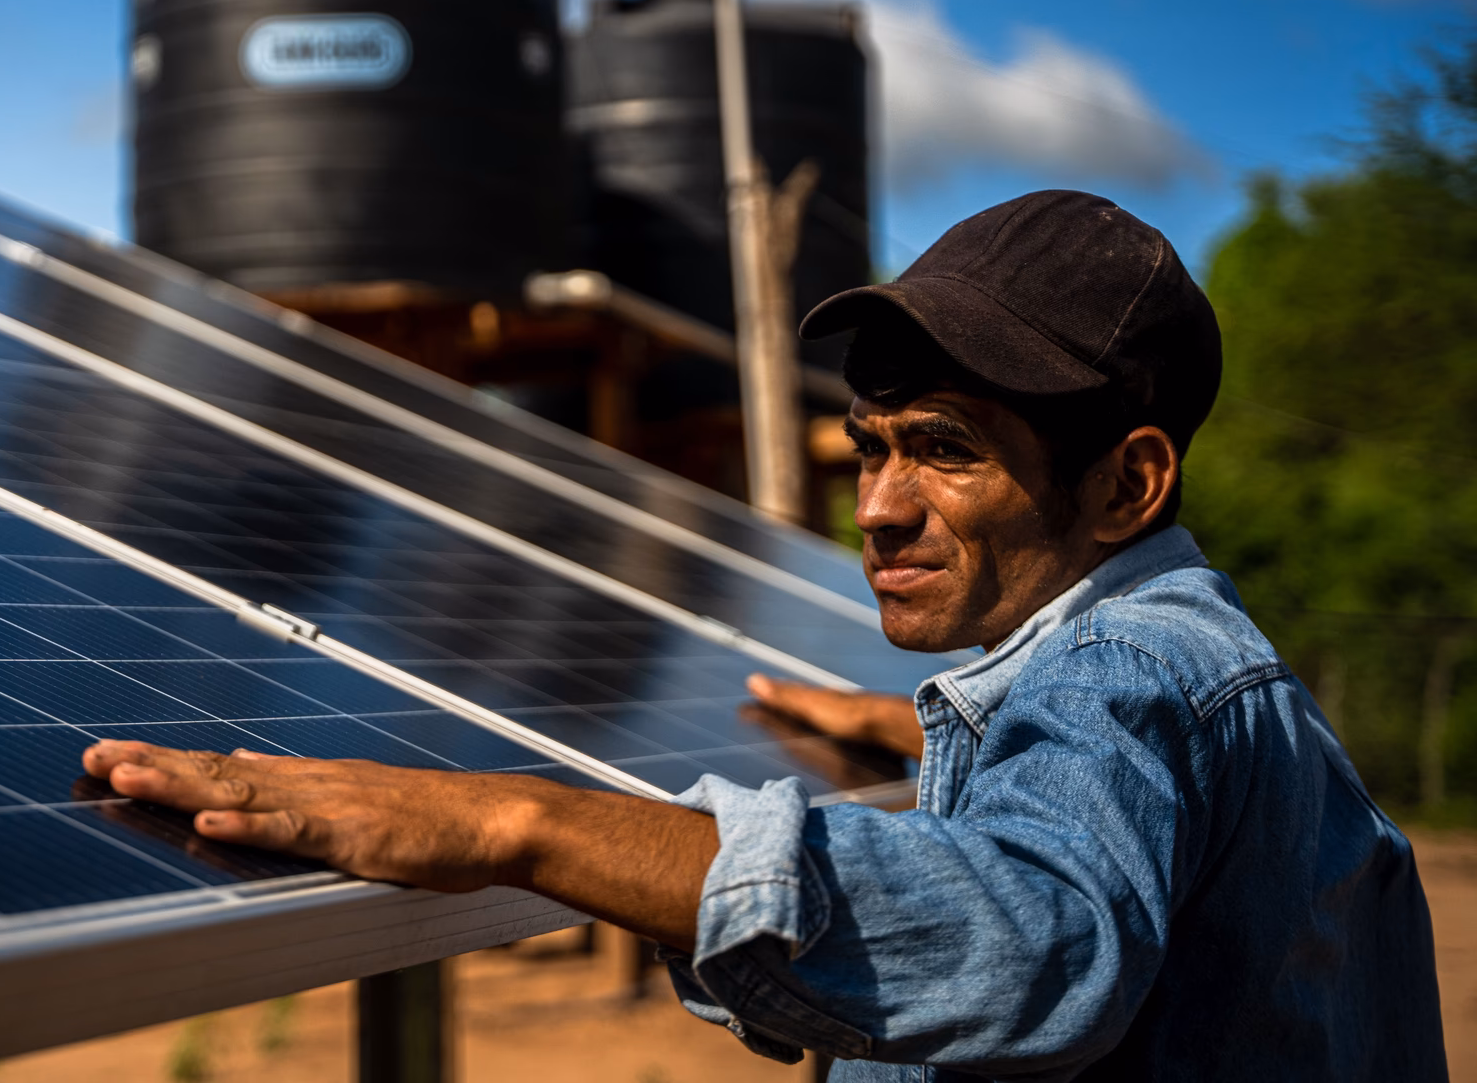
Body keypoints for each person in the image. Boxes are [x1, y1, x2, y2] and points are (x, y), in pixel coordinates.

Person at [84, 191, 1446, 1080]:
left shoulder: (1124, 670)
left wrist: (519, 824)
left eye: (946, 451)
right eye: (869, 448)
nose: (879, 509)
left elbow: (1036, 939)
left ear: (1127, 484)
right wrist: (932, 743)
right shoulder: (1169, 664)